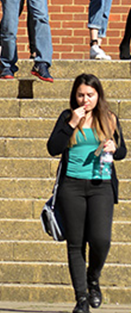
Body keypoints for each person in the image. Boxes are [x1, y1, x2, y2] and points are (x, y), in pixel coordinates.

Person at [47, 74, 126, 313]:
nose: (85, 100)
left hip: (101, 185)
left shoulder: (109, 117)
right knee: (76, 244)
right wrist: (71, 123)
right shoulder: (67, 116)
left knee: (101, 240)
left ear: (98, 95)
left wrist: (115, 147)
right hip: (72, 186)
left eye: (90, 95)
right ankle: (81, 299)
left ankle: (94, 277)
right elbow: (53, 148)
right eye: (81, 95)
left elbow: (122, 151)